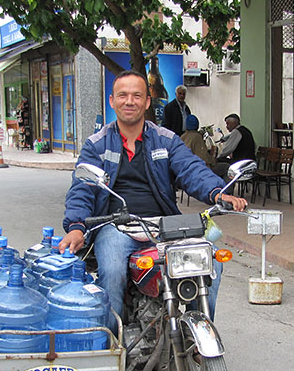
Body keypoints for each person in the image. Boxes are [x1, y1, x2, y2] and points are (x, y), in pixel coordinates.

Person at [59, 70, 247, 334]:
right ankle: (113, 342)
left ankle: (197, 332)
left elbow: (190, 169)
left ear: (147, 102)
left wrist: (218, 192)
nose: (129, 101)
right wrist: (77, 227)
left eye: (137, 95)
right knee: (111, 272)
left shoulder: (166, 140)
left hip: (164, 226)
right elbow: (82, 188)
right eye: (123, 95)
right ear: (112, 101)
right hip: (117, 227)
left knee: (211, 261)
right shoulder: (96, 145)